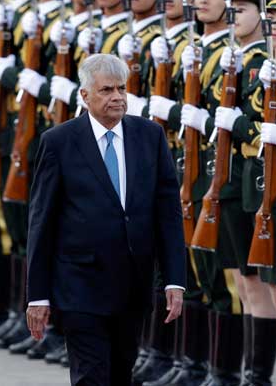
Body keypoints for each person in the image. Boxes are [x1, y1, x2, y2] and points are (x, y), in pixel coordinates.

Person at [26, 53, 186, 385]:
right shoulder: (59, 141)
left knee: (121, 371)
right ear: (84, 96)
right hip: (80, 284)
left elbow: (167, 213)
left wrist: (174, 279)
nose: (116, 97)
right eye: (106, 90)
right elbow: (42, 221)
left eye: (121, 89)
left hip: (132, 283)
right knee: (90, 375)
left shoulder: (149, 136)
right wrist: (37, 295)